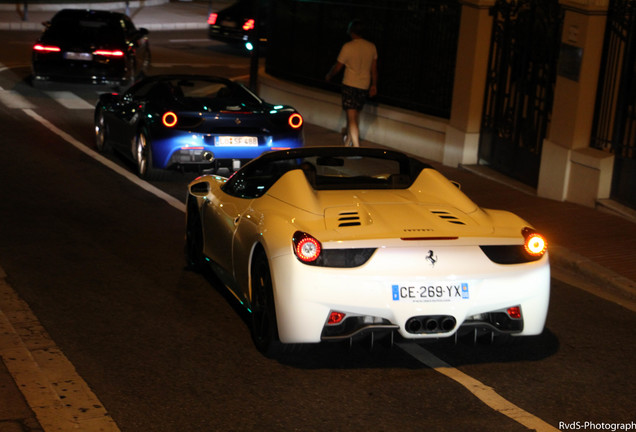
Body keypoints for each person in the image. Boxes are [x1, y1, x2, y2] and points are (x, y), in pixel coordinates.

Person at [325, 19, 378, 147]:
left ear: (351, 31)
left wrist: (329, 75)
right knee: (354, 117)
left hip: (350, 85)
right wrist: (374, 85)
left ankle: (356, 147)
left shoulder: (348, 47)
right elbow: (374, 69)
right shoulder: (371, 47)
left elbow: (338, 67)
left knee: (351, 117)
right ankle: (348, 143)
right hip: (363, 85)